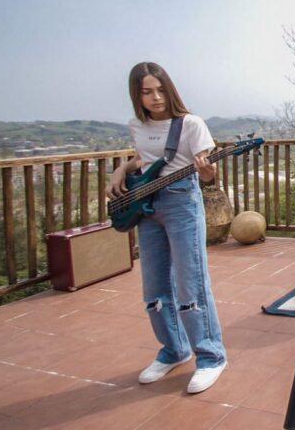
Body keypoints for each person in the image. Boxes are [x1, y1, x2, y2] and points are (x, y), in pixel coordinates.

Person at [106, 61, 228, 394]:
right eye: (147, 92)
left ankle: (211, 356)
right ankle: (174, 349)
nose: (156, 97)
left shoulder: (190, 124)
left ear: (169, 89)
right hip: (146, 208)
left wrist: (205, 171)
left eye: (160, 90)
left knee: (192, 285)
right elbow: (143, 159)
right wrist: (121, 170)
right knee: (154, 289)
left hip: (181, 203)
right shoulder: (137, 125)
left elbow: (208, 172)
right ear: (137, 95)